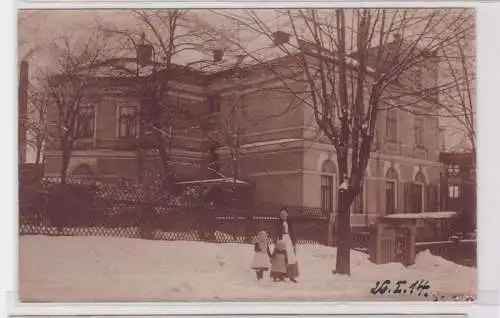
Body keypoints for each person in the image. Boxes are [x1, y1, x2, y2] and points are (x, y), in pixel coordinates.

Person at [275, 208, 299, 283]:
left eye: (285, 214)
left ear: (287, 214)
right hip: (281, 239)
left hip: (288, 240)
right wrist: (276, 241)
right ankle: (280, 275)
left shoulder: (290, 223)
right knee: (281, 257)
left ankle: (291, 276)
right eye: (282, 214)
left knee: (290, 257)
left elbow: (293, 232)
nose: (283, 215)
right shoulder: (278, 223)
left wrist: (294, 242)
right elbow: (276, 232)